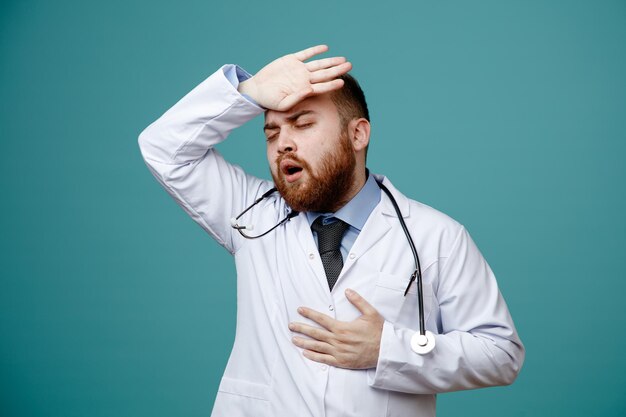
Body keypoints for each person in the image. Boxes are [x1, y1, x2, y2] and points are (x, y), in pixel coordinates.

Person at [138, 45, 524, 417]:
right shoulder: (249, 215)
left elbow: (501, 353)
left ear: (358, 135)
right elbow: (164, 148)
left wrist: (388, 349)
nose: (283, 144)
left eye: (303, 124)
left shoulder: (436, 236)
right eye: (271, 133)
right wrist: (249, 93)